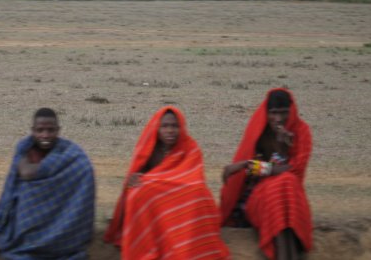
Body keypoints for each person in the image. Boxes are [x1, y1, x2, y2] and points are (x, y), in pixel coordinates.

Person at [104, 106, 230, 260]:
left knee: (199, 194)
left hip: (182, 195)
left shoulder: (190, 148)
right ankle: (147, 247)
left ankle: (187, 249)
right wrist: (136, 179)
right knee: (137, 193)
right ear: (157, 128)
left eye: (175, 126)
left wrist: (162, 184)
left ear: (181, 128)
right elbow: (137, 175)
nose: (170, 130)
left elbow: (194, 179)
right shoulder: (149, 148)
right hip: (160, 197)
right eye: (165, 126)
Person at [0, 107, 95, 260]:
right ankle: (30, 241)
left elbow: (28, 172)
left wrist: (34, 169)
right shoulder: (24, 148)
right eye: (40, 130)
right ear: (33, 131)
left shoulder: (71, 154)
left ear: (58, 130)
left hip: (64, 227)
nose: (45, 135)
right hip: (29, 222)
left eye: (50, 130)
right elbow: (25, 174)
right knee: (26, 194)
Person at [220, 89, 312, 260]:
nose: (279, 119)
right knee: (280, 188)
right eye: (274, 113)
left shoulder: (302, 132)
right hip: (259, 196)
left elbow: (293, 171)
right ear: (266, 113)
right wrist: (257, 165)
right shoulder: (260, 132)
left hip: (290, 196)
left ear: (292, 111)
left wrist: (247, 164)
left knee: (285, 183)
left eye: (284, 113)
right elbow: (253, 175)